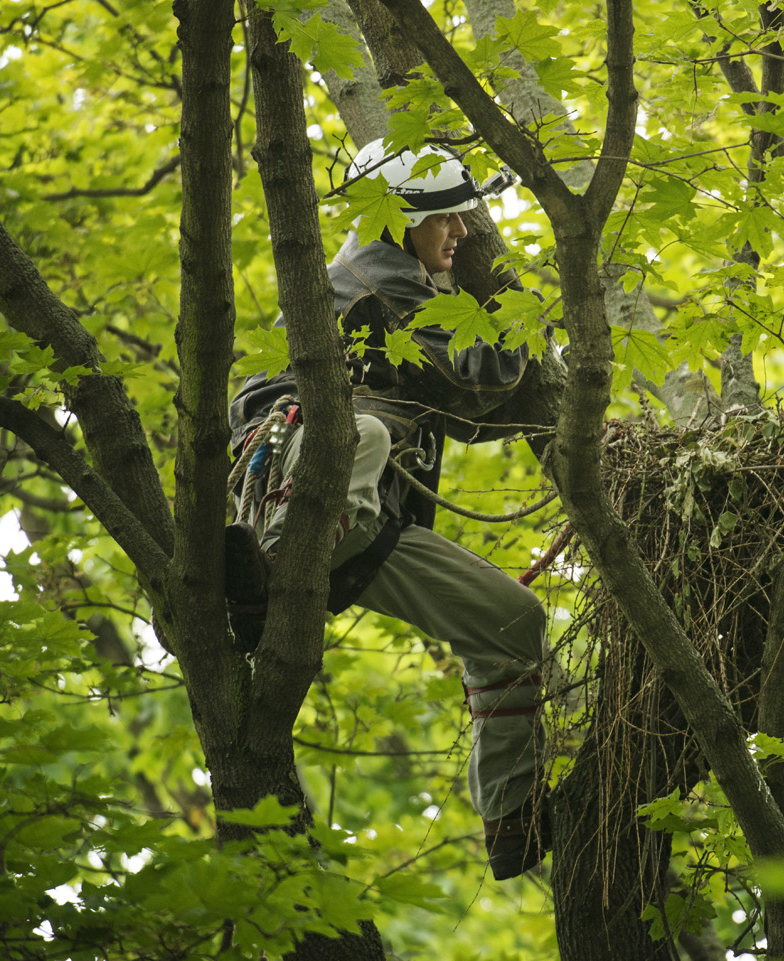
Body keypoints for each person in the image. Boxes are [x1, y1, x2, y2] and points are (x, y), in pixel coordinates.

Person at [227, 143, 547, 881]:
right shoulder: (363, 285)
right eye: (446, 220)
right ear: (400, 223)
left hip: (363, 521)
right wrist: (509, 304)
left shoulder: (413, 293)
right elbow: (483, 376)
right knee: (361, 433)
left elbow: (475, 414)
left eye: (464, 221)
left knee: (512, 622)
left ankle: (511, 814)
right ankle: (265, 573)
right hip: (307, 475)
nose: (461, 235)